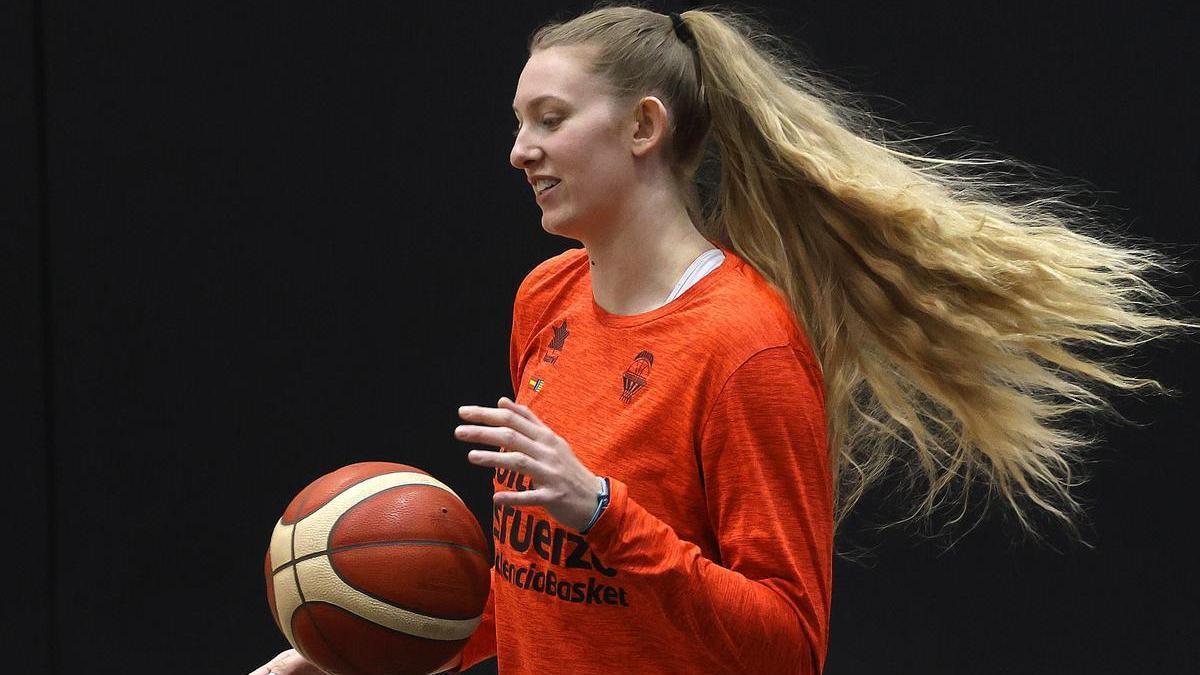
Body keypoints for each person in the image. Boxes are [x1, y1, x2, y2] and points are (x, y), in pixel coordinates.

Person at [252, 6, 1197, 675]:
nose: (518, 150)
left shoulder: (745, 347)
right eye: (516, 123)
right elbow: (551, 587)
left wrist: (604, 509)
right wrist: (381, 643)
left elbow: (788, 644)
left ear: (642, 128)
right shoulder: (546, 297)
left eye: (548, 119)